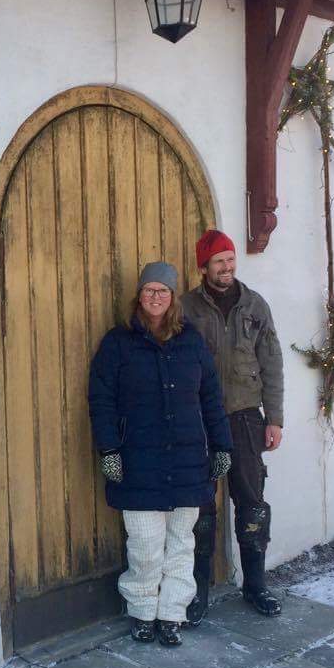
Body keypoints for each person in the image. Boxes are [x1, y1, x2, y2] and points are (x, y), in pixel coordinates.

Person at [89, 261, 233, 647]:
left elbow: (211, 398)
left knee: (181, 544)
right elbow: (101, 400)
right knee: (145, 546)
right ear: (140, 295)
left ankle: (172, 613)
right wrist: (109, 449)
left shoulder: (191, 342)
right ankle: (142, 611)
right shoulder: (117, 343)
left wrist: (222, 445)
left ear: (173, 299)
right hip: (138, 462)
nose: (156, 297)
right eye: (149, 290)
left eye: (163, 291)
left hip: (188, 462)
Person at [182, 230, 285, 621]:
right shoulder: (186, 309)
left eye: (230, 259)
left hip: (244, 418)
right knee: (201, 506)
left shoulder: (255, 306)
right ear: (204, 267)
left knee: (252, 502)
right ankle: (198, 591)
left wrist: (274, 418)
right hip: (201, 420)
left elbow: (272, 362)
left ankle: (255, 585)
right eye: (218, 261)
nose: (226, 267)